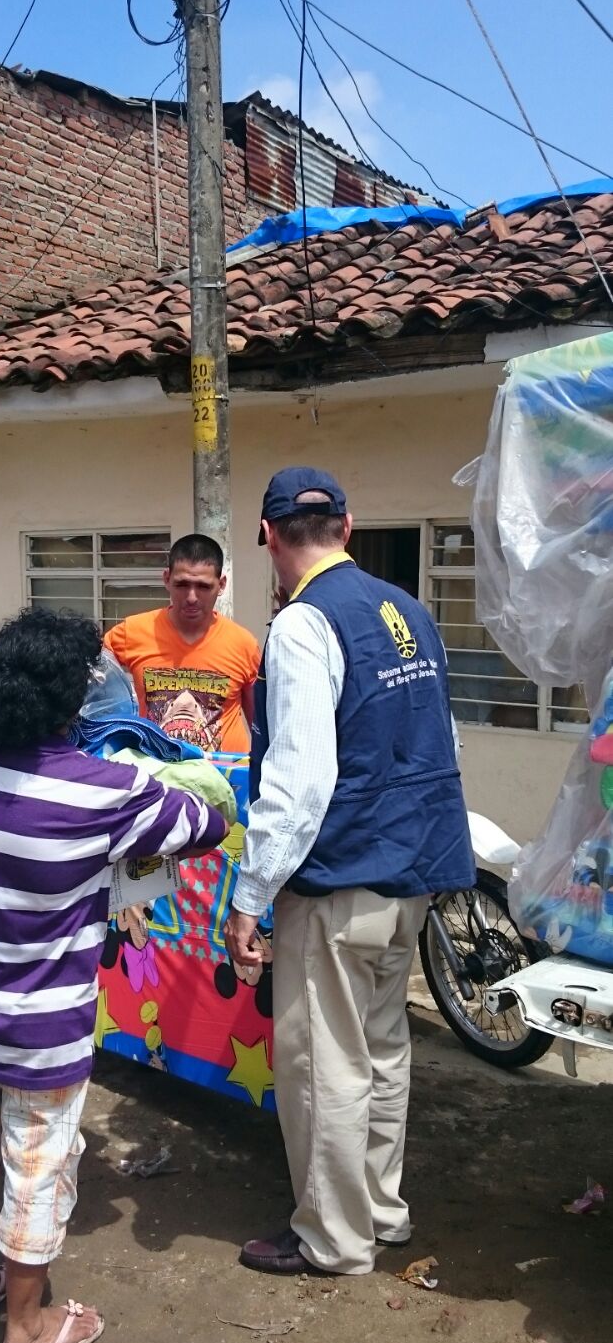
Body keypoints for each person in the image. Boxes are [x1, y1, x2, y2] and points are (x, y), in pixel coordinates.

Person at [0, 609, 227, 1343]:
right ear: (74, 701)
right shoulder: (106, 792)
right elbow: (208, 822)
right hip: (43, 1034)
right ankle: (25, 1328)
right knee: (37, 1169)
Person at [224, 467, 475, 1278]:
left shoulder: (303, 624)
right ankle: (380, 1208)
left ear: (267, 536)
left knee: (323, 1065)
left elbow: (298, 782)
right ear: (348, 524)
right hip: (410, 873)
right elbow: (443, 741)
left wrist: (249, 895)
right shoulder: (408, 610)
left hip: (339, 881)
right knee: (382, 1048)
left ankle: (333, 1238)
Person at [104, 533, 260, 754]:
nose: (192, 597)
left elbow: (260, 727)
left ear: (221, 584)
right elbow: (90, 688)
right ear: (167, 579)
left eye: (203, 587)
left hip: (224, 773)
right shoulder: (132, 633)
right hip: (156, 772)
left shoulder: (243, 644)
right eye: (182, 584)